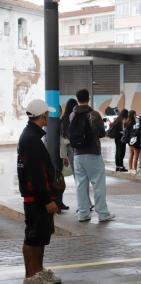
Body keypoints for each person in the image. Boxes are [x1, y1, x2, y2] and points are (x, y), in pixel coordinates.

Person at [18, 99, 62, 284]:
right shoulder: (31, 139)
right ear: (41, 115)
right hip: (36, 198)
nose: (48, 118)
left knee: (41, 236)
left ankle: (39, 271)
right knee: (33, 237)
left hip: (37, 197)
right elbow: (36, 174)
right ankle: (31, 275)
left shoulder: (32, 136)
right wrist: (47, 200)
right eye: (47, 114)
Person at [70, 89, 115, 222]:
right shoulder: (94, 114)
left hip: (77, 154)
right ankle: (102, 213)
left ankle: (83, 213)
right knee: (98, 184)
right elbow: (101, 133)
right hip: (93, 153)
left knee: (80, 185)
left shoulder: (72, 115)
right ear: (88, 98)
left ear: (77, 99)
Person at [58, 99, 79, 211]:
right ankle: (84, 204)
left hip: (69, 150)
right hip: (75, 149)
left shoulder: (62, 121)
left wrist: (64, 156)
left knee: (77, 177)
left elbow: (62, 141)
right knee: (79, 177)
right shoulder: (73, 119)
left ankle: (83, 204)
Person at [125, 110, 137, 174]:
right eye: (135, 114)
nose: (136, 115)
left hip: (129, 140)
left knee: (131, 154)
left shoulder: (127, 121)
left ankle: (130, 168)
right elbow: (134, 131)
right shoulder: (133, 122)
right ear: (133, 115)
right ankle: (133, 168)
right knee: (134, 154)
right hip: (133, 139)